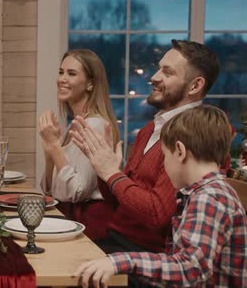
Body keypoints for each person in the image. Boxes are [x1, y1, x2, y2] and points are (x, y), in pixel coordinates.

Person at [70, 39, 221, 254]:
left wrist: (112, 173)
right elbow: (119, 202)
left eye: (167, 73)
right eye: (158, 69)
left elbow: (157, 216)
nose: (154, 77)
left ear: (195, 86)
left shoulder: (195, 135)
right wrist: (102, 167)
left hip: (146, 255)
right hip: (116, 239)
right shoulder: (150, 129)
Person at [75, 106, 247, 288]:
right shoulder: (203, 193)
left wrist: (118, 262)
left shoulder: (210, 197)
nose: (164, 163)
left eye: (165, 156)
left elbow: (189, 269)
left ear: (180, 151)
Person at [38, 49, 119, 240]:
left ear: (90, 84)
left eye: (71, 74)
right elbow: (49, 190)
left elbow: (76, 192)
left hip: (88, 229)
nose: (62, 79)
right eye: (61, 72)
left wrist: (55, 147)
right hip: (67, 219)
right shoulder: (73, 126)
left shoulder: (94, 126)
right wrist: (50, 150)